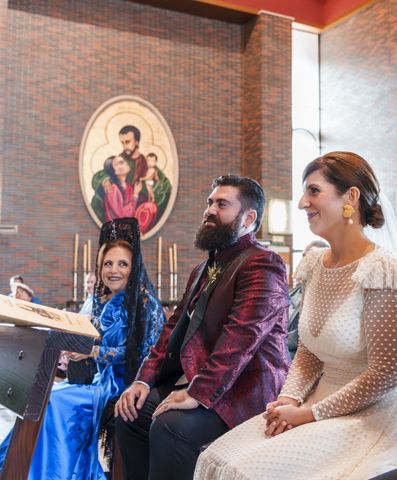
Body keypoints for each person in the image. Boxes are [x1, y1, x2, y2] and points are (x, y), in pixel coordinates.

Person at [194, 152, 397, 479]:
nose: (301, 203)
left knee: (247, 472)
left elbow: (388, 373)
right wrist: (287, 399)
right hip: (312, 401)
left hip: (371, 415)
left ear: (350, 197)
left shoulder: (381, 269)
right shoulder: (315, 265)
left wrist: (310, 413)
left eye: (313, 191)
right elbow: (309, 352)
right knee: (215, 459)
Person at [114, 174, 290, 480]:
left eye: (222, 204)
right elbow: (172, 330)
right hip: (205, 383)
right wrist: (142, 381)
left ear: (249, 218)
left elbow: (242, 338)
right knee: (130, 412)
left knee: (171, 427)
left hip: (246, 390)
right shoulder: (204, 268)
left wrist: (199, 391)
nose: (209, 210)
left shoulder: (263, 263)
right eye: (210, 202)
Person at [0, 217, 165, 479]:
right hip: (101, 381)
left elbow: (148, 354)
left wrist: (94, 352)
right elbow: (95, 341)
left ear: (134, 267)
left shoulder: (146, 303)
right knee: (46, 396)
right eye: (108, 263)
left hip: (128, 386)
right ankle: (29, 469)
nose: (114, 270)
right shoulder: (104, 301)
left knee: (55, 404)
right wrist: (75, 347)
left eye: (123, 263)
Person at [288, 239, 329, 359]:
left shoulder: (324, 297)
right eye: (304, 256)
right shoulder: (292, 291)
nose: (304, 262)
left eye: (310, 257)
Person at [103, 155, 157, 234]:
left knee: (150, 207)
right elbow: (122, 216)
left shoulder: (127, 186)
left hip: (129, 225)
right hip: (119, 230)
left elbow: (133, 207)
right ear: (115, 172)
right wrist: (135, 194)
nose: (125, 163)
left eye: (124, 161)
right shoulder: (112, 190)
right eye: (121, 163)